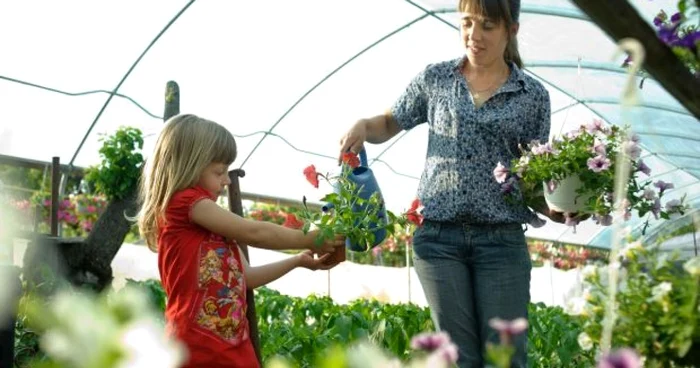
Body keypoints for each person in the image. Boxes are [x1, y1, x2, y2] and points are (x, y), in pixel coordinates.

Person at [338, 0, 569, 366]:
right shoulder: (437, 79)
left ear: (512, 30)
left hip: (501, 241)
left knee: (506, 359)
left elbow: (531, 177)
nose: (473, 36)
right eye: (467, 23)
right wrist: (365, 125)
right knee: (458, 359)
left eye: (487, 26)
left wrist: (554, 206)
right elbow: (390, 121)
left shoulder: (533, 96)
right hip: (438, 240)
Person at [133, 114, 344, 368]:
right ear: (189, 165)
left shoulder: (213, 225)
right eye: (219, 171)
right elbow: (254, 232)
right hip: (197, 346)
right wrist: (309, 239)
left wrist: (297, 261)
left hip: (233, 346)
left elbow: (247, 277)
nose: (227, 180)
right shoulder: (184, 203)